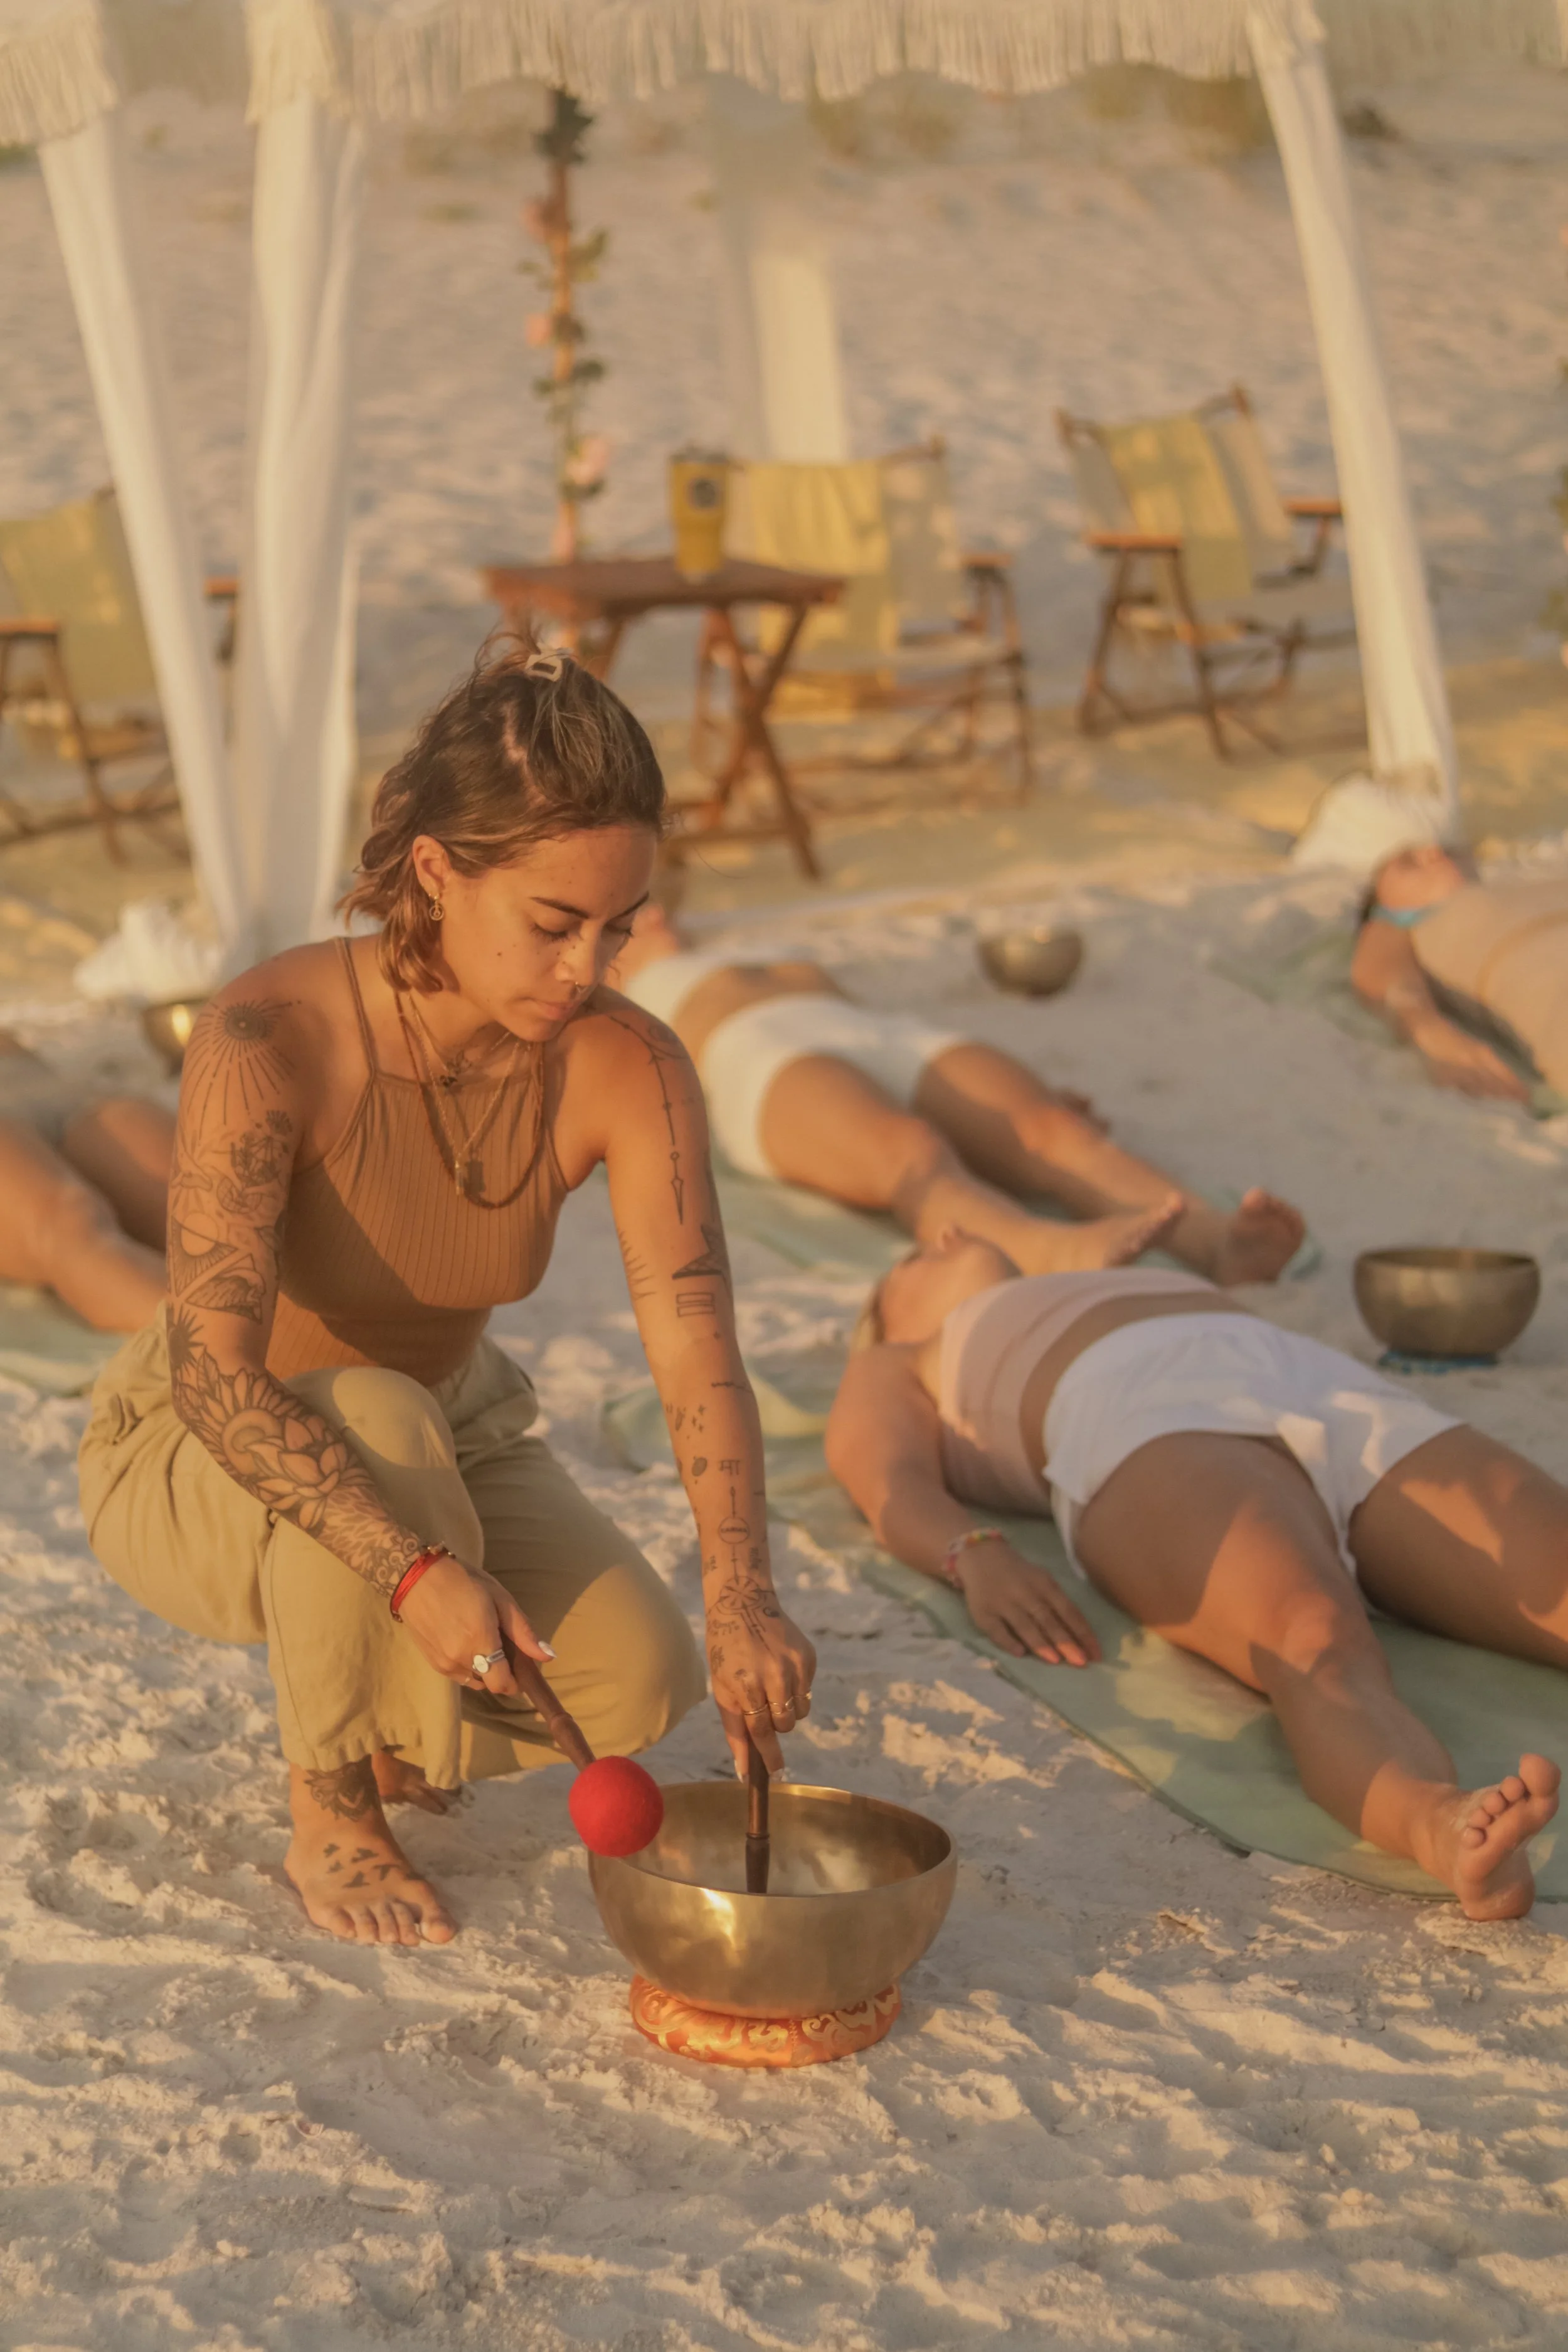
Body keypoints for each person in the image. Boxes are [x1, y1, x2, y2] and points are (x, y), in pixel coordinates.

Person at [78, 644, 814, 1950]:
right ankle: (334, 1799)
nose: (588, 967)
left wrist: (741, 1587)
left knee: (639, 1675)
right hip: (197, 1451)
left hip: (443, 1427)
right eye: (551, 923)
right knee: (369, 1412)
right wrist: (414, 1572)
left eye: (618, 926)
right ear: (435, 871)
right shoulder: (268, 1040)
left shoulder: (626, 1069)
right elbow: (215, 1378)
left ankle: (389, 1704)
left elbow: (696, 1350)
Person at [825, 1229, 1562, 1920]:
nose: (948, 1233)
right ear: (890, 1318)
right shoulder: (905, 1356)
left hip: (1320, 1386)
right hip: (1141, 1420)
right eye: (916, 1257)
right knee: (1314, 1640)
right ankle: (1439, 1823)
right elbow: (880, 1471)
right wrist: (976, 1552)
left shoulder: (1091, 1273)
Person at [611, 904, 1305, 1285]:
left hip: (875, 1033)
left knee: (1050, 1128)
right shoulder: (604, 986)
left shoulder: (761, 958)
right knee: (907, 1151)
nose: (656, 909)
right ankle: (1044, 1251)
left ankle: (1215, 1241)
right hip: (754, 1056)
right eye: (631, 910)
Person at [1352, 840, 1568, 1105]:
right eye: (1409, 863)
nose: (1433, 852)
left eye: (1449, 849)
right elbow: (1382, 977)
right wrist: (1432, 1036)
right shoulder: (1399, 924)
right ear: (1385, 901)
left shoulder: (1535, 884)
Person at [0, 1032, 172, 1328]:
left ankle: (266, 1351)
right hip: (40, 1087)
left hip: (39, 1081)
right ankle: (228, 1359)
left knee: (213, 1205)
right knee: (70, 1221)